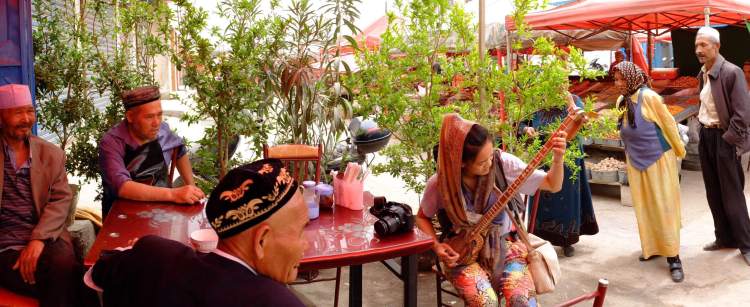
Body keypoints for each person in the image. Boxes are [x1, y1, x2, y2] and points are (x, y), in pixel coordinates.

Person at [89, 159, 308, 306]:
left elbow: (97, 272)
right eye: (300, 232)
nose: (305, 245)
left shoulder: (153, 252)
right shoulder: (278, 301)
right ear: (261, 240)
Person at [416, 113, 567, 306]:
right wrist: (437, 246)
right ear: (460, 163)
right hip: (463, 254)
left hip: (506, 246)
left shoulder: (503, 164)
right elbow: (422, 218)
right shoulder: (441, 184)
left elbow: (552, 184)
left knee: (522, 302)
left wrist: (557, 159)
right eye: (481, 162)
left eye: (490, 156)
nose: (490, 164)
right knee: (486, 302)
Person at [0, 84, 80, 306]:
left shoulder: (51, 154)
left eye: (30, 111)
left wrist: (37, 239)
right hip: (5, 243)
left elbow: (60, 199)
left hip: (47, 234)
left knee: (62, 265)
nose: (26, 119)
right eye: (18, 112)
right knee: (66, 278)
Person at [612, 61, 686, 282]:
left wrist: (680, 151)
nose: (617, 83)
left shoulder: (650, 98)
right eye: (615, 79)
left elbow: (668, 124)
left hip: (658, 159)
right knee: (644, 207)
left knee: (664, 206)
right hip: (636, 160)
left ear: (632, 78)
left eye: (621, 79)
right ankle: (652, 247)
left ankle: (673, 256)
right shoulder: (621, 101)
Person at [99, 86, 204, 217]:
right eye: (149, 117)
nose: (156, 123)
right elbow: (122, 187)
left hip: (162, 211)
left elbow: (179, 151)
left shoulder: (162, 130)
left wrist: (191, 187)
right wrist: (173, 194)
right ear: (130, 117)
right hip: (122, 215)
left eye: (159, 115)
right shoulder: (111, 142)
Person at [693, 26, 750, 266]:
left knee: (732, 193)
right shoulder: (703, 73)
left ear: (717, 46)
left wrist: (729, 140)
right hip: (707, 136)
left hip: (724, 138)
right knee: (713, 191)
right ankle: (723, 237)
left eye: (704, 45)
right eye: (696, 45)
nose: (698, 50)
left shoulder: (731, 72)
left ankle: (746, 245)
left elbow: (743, 113)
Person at [522, 93, 599, 257]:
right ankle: (540, 238)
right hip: (543, 155)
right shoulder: (537, 100)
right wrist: (526, 129)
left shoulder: (574, 99)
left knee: (567, 196)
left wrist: (570, 102)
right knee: (542, 196)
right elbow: (521, 123)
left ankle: (567, 240)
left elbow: (584, 123)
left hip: (568, 155)